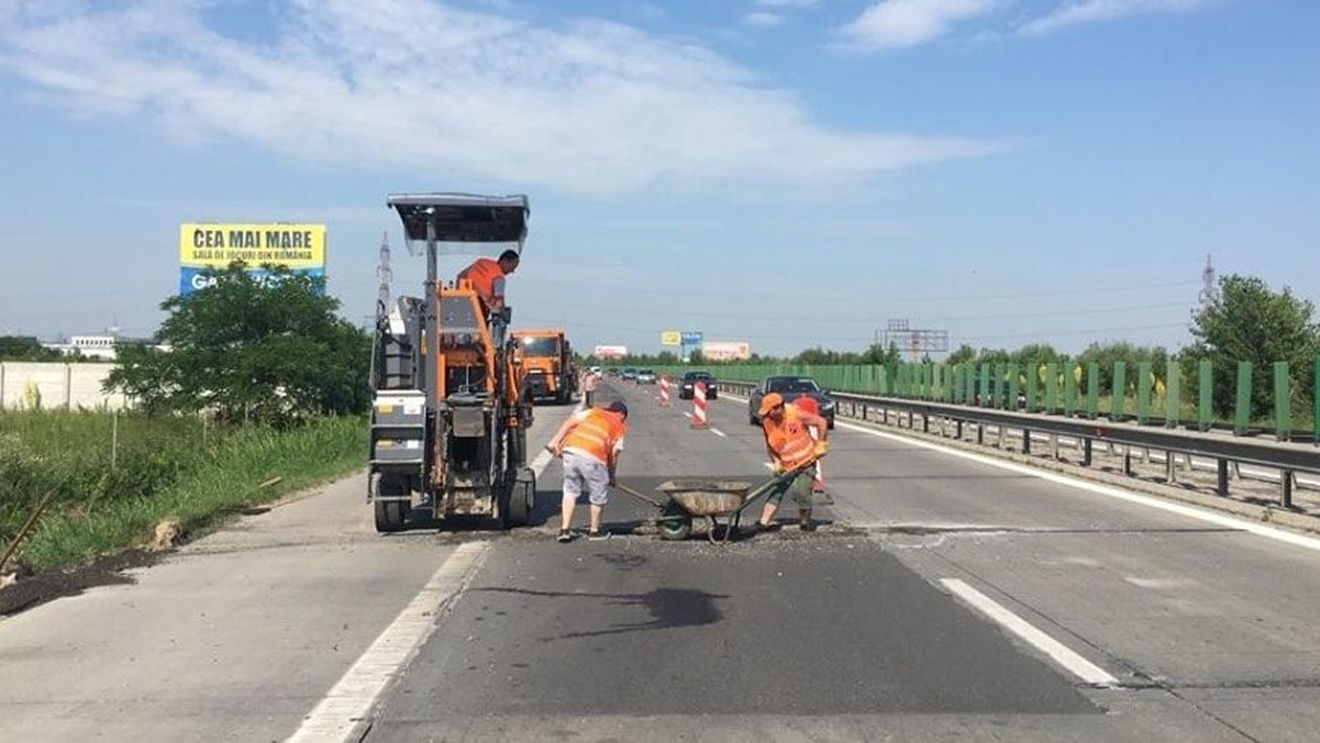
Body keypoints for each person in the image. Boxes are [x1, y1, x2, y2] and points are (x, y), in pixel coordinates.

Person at [546, 400, 628, 543]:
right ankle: (594, 532)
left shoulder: (593, 412)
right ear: (622, 414)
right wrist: (611, 475)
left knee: (570, 492)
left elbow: (570, 422)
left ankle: (564, 530)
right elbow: (614, 454)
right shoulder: (619, 426)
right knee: (598, 496)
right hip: (594, 458)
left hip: (571, 451)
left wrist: (555, 441)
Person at [755, 392, 828, 532]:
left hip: (806, 461)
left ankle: (805, 521)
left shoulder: (796, 414)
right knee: (777, 491)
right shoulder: (767, 422)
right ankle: (763, 523)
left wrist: (821, 444)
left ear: (778, 408)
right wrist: (776, 462)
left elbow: (821, 422)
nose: (767, 415)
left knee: (803, 492)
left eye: (769, 411)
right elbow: (770, 445)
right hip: (786, 464)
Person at [455, 249, 520, 312]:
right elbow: (499, 301)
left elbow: (460, 276)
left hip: (459, 302)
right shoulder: (499, 277)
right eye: (512, 267)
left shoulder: (481, 262)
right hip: (476, 309)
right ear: (505, 261)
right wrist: (503, 312)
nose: (512, 271)